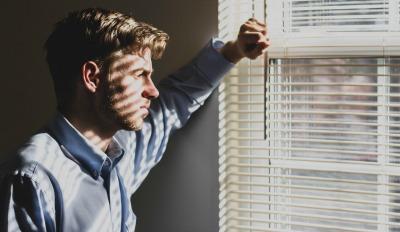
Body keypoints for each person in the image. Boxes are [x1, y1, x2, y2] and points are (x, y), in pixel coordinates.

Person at [0, 8, 269, 232]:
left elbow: (174, 102)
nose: (152, 90)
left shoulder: (121, 153)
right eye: (140, 74)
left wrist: (234, 51)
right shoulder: (32, 178)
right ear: (93, 77)